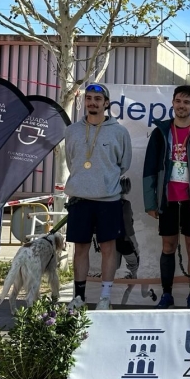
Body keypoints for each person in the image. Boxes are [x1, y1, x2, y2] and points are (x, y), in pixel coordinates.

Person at [143, 85, 190, 309]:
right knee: (168, 246)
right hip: (168, 199)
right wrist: (150, 201)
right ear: (173, 103)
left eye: (186, 102)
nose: (182, 106)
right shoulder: (161, 132)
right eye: (178, 101)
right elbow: (149, 168)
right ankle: (167, 294)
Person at [65, 83, 132, 311]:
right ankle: (79, 298)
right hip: (80, 199)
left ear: (106, 103)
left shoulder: (119, 132)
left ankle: (105, 298)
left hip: (108, 200)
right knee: (80, 249)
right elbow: (71, 161)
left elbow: (124, 164)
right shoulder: (72, 130)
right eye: (89, 98)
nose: (92, 102)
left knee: (108, 248)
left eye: (97, 98)